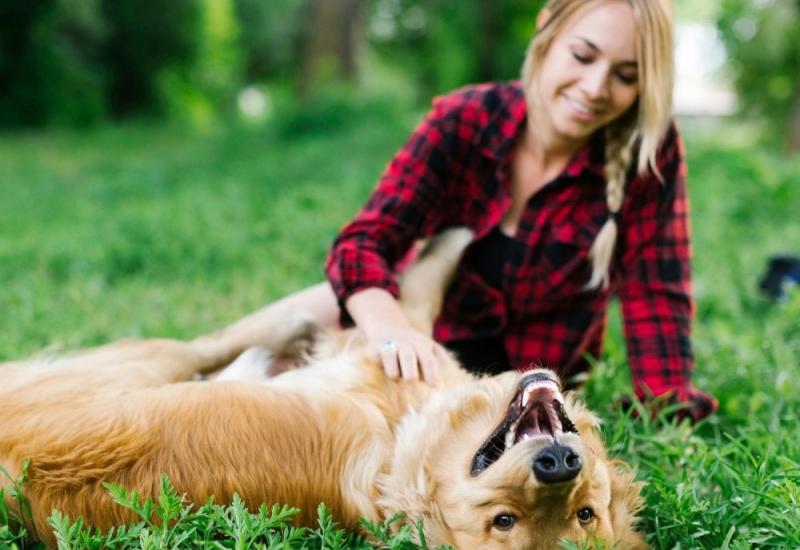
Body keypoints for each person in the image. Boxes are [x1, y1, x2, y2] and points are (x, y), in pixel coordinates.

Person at [285, 0, 717, 422]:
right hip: (422, 348)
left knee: (304, 412)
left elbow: (657, 292)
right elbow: (366, 241)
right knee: (299, 325)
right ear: (547, 29)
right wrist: (390, 330)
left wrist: (666, 412)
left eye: (626, 76)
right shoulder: (465, 120)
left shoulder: (648, 152)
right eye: (583, 56)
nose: (595, 87)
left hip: (515, 392)